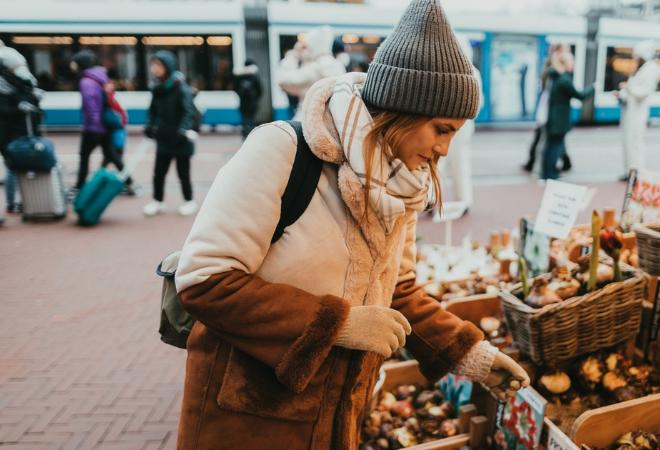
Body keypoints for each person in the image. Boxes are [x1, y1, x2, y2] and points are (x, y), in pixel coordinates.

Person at [173, 1, 529, 448]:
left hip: (336, 417)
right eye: (442, 129)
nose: (445, 150)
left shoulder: (402, 184)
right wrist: (338, 325)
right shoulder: (282, 151)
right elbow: (205, 280)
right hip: (249, 419)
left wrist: (470, 354)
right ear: (403, 108)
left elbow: (397, 292)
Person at [71, 50, 135, 195]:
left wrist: (93, 127)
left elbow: (91, 107)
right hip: (105, 125)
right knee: (112, 154)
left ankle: (79, 186)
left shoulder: (86, 82)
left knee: (84, 155)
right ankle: (130, 182)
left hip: (94, 127)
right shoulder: (100, 77)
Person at [142, 51, 198, 217]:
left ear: (167, 66)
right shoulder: (157, 88)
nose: (154, 68)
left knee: (183, 173)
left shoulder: (181, 87)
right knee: (159, 173)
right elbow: (152, 111)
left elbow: (189, 112)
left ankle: (189, 201)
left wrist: (183, 129)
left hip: (181, 138)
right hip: (164, 137)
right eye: (154, 64)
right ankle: (157, 201)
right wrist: (149, 126)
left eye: (158, 64)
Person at [439, 34, 482, 214]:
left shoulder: (445, 70)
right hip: (463, 125)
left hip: (445, 125)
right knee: (460, 163)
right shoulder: (474, 72)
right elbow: (479, 103)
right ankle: (463, 201)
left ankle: (435, 201)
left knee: (438, 164)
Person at [0, 41, 43, 219]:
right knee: (12, 165)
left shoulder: (23, 80)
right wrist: (20, 107)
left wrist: (35, 99)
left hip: (23, 129)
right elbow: (4, 109)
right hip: (8, 132)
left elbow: (30, 99)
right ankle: (12, 203)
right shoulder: (4, 85)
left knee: (19, 165)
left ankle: (28, 200)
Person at [541, 51, 594, 180]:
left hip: (552, 117)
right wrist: (592, 88)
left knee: (550, 146)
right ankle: (550, 175)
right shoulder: (564, 79)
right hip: (559, 119)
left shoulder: (553, 77)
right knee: (555, 147)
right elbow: (579, 95)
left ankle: (548, 173)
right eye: (572, 62)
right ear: (566, 64)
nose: (573, 65)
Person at [276, 25, 346, 119]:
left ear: (313, 45)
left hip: (307, 121)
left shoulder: (315, 69)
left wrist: (293, 55)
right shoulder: (337, 65)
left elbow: (283, 80)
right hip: (331, 121)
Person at [617, 40, 660, 176]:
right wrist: (622, 94)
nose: (634, 58)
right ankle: (629, 171)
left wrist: (628, 88)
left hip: (637, 113)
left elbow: (643, 92)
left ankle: (636, 173)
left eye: (636, 55)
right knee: (628, 142)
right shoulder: (642, 69)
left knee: (635, 143)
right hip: (631, 111)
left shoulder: (650, 70)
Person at [523, 44, 571, 173]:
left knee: (553, 139)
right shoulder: (554, 67)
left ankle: (562, 163)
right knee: (549, 138)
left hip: (551, 109)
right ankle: (551, 165)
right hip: (548, 108)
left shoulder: (557, 68)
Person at [233, 59, 262, 140]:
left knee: (244, 119)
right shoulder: (254, 76)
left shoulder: (239, 76)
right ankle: (251, 134)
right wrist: (256, 99)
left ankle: (245, 133)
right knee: (251, 119)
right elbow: (260, 90)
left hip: (243, 103)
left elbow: (235, 88)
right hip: (252, 102)